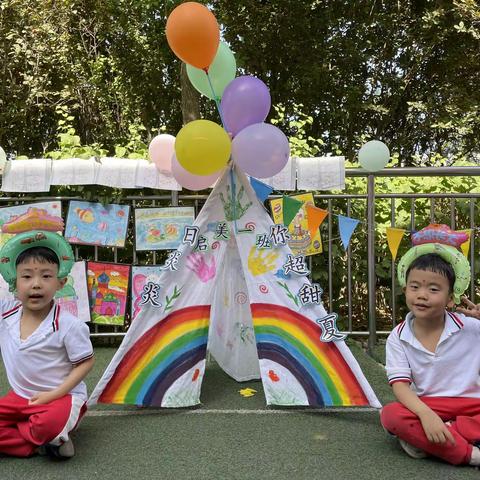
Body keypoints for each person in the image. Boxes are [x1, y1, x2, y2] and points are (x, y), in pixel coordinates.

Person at [381, 226, 480, 466]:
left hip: (473, 404)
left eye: (434, 289)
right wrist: (426, 415)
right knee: (391, 415)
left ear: (451, 297)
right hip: (429, 404)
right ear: (405, 290)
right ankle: (470, 454)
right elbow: (401, 387)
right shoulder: (398, 337)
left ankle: (434, 438)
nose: (422, 295)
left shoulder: (471, 328)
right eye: (415, 287)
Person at [0, 231, 94, 459]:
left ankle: (43, 434)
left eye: (46, 276)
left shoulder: (69, 325)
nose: (36, 285)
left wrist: (54, 394)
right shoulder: (5, 314)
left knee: (48, 424)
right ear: (14, 282)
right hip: (20, 397)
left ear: (61, 282)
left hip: (61, 398)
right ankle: (41, 443)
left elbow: (86, 362)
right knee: (40, 428)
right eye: (27, 277)